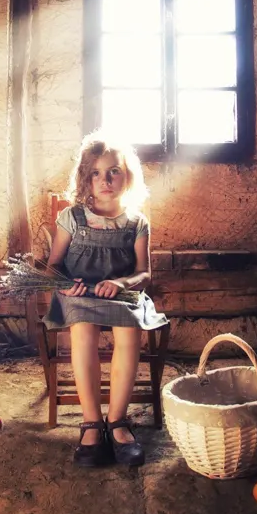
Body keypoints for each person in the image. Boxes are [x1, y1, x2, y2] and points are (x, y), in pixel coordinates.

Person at [46, 130, 167, 468]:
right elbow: (53, 265)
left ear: (126, 175)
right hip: (79, 294)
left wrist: (120, 282)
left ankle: (118, 422)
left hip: (122, 295)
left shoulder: (136, 222)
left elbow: (144, 273)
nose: (105, 179)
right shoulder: (72, 218)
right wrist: (65, 284)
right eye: (96, 172)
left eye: (114, 170)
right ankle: (91, 422)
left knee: (129, 330)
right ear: (86, 177)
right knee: (82, 328)